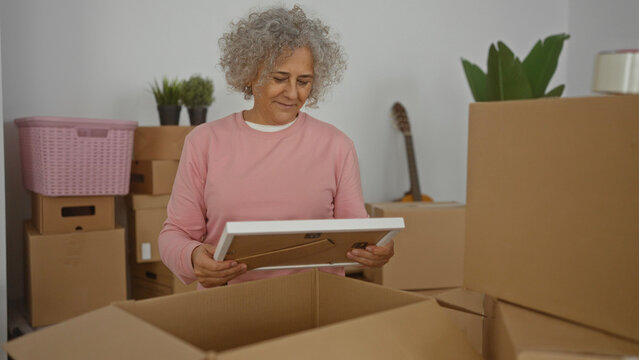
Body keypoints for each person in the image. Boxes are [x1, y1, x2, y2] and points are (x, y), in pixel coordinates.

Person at [159, 5, 394, 289]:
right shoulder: (204, 142)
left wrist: (377, 248)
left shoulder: (337, 146)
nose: (293, 93)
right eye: (279, 78)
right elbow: (175, 234)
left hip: (317, 305)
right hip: (228, 309)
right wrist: (193, 256)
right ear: (250, 74)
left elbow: (356, 235)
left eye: (304, 81)